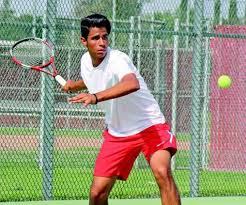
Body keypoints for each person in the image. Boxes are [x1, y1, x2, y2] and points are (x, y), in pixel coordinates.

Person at [62, 13, 181, 205]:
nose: (102, 42)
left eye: (105, 37)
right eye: (95, 38)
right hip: (118, 132)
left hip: (149, 125)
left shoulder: (118, 59)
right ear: (83, 41)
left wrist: (95, 97)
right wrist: (73, 85)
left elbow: (131, 83)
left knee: (162, 172)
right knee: (97, 193)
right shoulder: (85, 61)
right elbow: (95, 78)